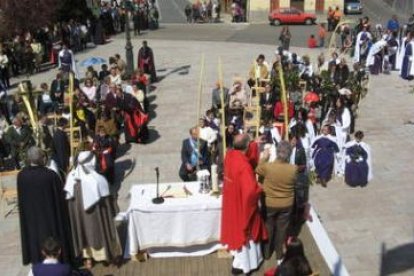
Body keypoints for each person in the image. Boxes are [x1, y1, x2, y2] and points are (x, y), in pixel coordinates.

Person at [17, 147, 73, 265]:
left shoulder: (22, 176)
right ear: (42, 158)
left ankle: (37, 260)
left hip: (31, 219)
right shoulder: (50, 175)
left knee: (35, 240)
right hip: (50, 218)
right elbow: (60, 199)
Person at [221, 134, 267, 275]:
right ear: (246, 146)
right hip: (243, 206)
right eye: (250, 144)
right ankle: (246, 265)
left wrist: (254, 143)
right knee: (246, 235)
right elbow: (250, 193)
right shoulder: (245, 167)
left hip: (232, 201)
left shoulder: (229, 155)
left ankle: (239, 261)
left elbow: (244, 150)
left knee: (235, 230)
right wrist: (259, 187)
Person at [65, 151, 121, 263]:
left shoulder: (71, 179)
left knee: (84, 232)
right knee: (100, 232)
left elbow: (70, 203)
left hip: (81, 217)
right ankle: (104, 257)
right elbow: (109, 202)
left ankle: (88, 258)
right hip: (97, 218)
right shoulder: (98, 180)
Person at [256, 141, 296, 263]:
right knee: (282, 229)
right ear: (289, 155)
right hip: (287, 203)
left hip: (270, 203)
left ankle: (267, 253)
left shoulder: (268, 167)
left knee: (269, 227)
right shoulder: (293, 169)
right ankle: (279, 254)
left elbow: (257, 169)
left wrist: (264, 158)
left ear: (277, 153)